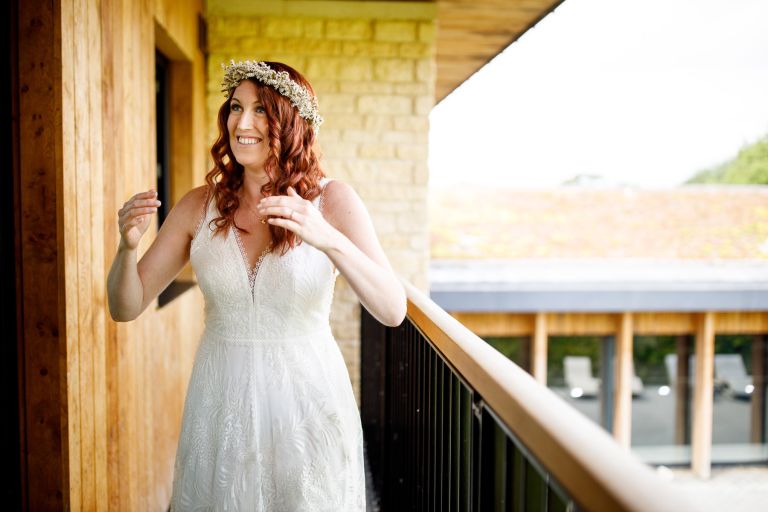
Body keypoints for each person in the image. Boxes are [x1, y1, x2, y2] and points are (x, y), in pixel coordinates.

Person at [106, 60, 406, 510]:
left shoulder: (333, 200)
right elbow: (125, 306)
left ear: (291, 122)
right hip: (220, 405)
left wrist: (327, 238)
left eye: (261, 110)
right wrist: (127, 249)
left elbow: (392, 308)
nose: (241, 123)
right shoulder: (197, 206)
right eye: (235, 108)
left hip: (306, 407)